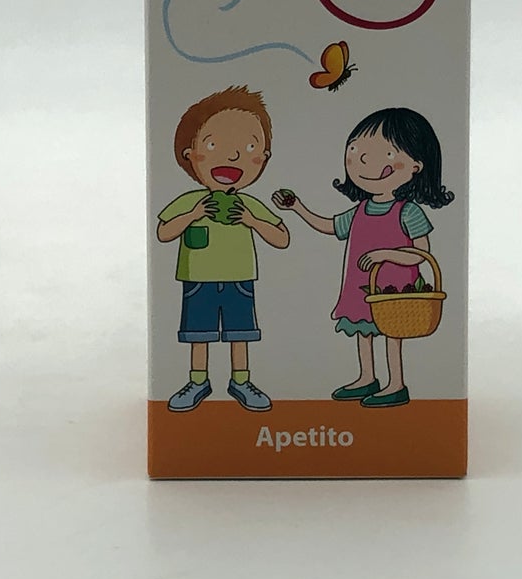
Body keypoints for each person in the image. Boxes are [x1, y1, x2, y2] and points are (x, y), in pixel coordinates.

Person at [273, 106, 453, 408]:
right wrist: (297, 207)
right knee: (364, 331)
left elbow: (422, 254)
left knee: (392, 334)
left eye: (387, 153)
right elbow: (329, 226)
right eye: (357, 150)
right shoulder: (359, 211)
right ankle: (367, 377)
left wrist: (388, 255)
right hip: (361, 286)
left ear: (416, 166)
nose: (366, 160)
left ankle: (396, 384)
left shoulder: (408, 211)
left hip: (396, 290)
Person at [156, 86, 290, 412]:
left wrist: (251, 221)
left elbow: (282, 237)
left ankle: (240, 381)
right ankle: (198, 380)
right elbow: (163, 232)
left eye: (248, 147)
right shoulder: (191, 201)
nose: (232, 157)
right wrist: (193, 215)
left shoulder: (248, 204)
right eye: (213, 145)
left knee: (239, 333)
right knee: (198, 334)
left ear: (264, 158)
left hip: (239, 278)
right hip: (197, 279)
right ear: (190, 154)